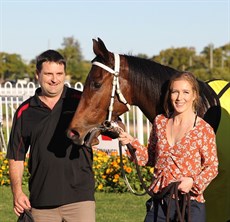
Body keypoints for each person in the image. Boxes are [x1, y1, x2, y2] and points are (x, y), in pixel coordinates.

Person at [6, 50, 95, 222]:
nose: (54, 79)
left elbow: (110, 124)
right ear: (37, 74)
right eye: (48, 74)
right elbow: (16, 156)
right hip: (41, 202)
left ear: (64, 74)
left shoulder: (81, 102)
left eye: (59, 74)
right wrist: (17, 192)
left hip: (80, 199)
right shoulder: (25, 111)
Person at [118, 72, 219, 222]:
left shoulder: (204, 130)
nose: (179, 98)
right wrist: (131, 143)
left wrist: (193, 182)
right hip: (160, 202)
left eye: (185, 92)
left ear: (194, 96)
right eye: (175, 92)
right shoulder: (160, 122)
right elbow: (150, 158)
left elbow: (212, 166)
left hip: (189, 204)